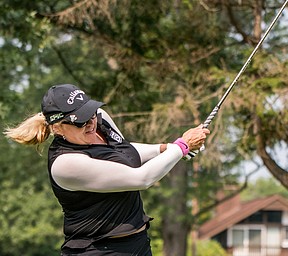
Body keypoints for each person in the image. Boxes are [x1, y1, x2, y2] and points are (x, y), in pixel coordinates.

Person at [4, 84, 210, 256]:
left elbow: (125, 152)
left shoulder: (100, 119)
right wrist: (181, 147)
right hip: (98, 250)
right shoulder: (65, 163)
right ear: (57, 128)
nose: (90, 123)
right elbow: (141, 178)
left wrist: (165, 149)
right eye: (80, 121)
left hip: (138, 243)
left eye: (90, 113)